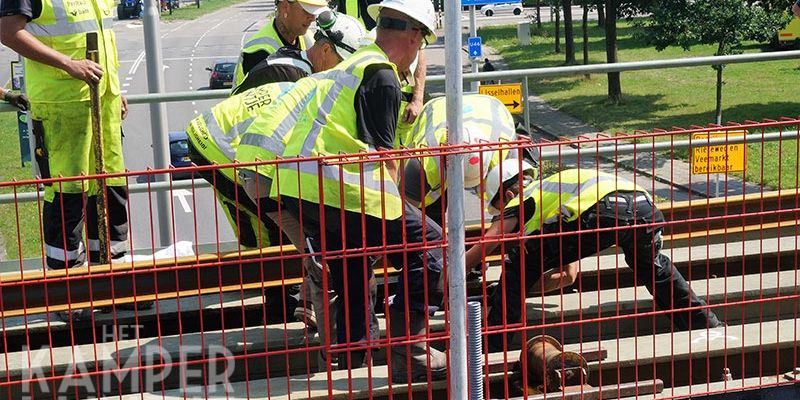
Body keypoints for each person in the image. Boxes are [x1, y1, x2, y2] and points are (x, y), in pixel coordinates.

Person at [236, 0, 443, 382]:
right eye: (421, 43)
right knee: (431, 243)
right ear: (414, 35)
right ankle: (409, 350)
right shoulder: (380, 73)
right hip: (336, 189)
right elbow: (387, 159)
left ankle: (353, 363)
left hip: (304, 189)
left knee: (352, 263)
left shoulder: (358, 60)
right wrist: (402, 212)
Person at [185, 11, 367, 366]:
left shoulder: (296, 70)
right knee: (282, 226)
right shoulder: (309, 85)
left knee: (285, 224)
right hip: (217, 147)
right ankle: (295, 310)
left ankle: (298, 305)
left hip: (223, 143)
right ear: (328, 52)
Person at [478, 160, 724, 352]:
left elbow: (486, 244)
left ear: (508, 196)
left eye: (499, 209)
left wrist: (449, 277)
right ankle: (707, 326)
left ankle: (494, 347)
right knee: (653, 269)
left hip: (600, 211)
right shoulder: (557, 193)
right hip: (643, 206)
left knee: (516, 264)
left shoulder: (523, 197)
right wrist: (521, 289)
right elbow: (568, 275)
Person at [1, 2, 131, 286]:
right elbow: (8, 32)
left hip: (104, 101)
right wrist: (68, 64)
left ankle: (114, 281)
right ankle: (69, 289)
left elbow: (101, 35)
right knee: (67, 196)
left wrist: (115, 88)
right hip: (61, 104)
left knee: (110, 191)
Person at [400, 94, 517, 226]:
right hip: (438, 108)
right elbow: (406, 214)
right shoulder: (424, 163)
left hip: (489, 108)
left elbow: (512, 209)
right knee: (430, 216)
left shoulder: (505, 153)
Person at [232, 0, 328, 90]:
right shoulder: (258, 52)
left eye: (315, 11)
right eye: (307, 10)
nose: (312, 18)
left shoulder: (309, 38)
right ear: (285, 7)